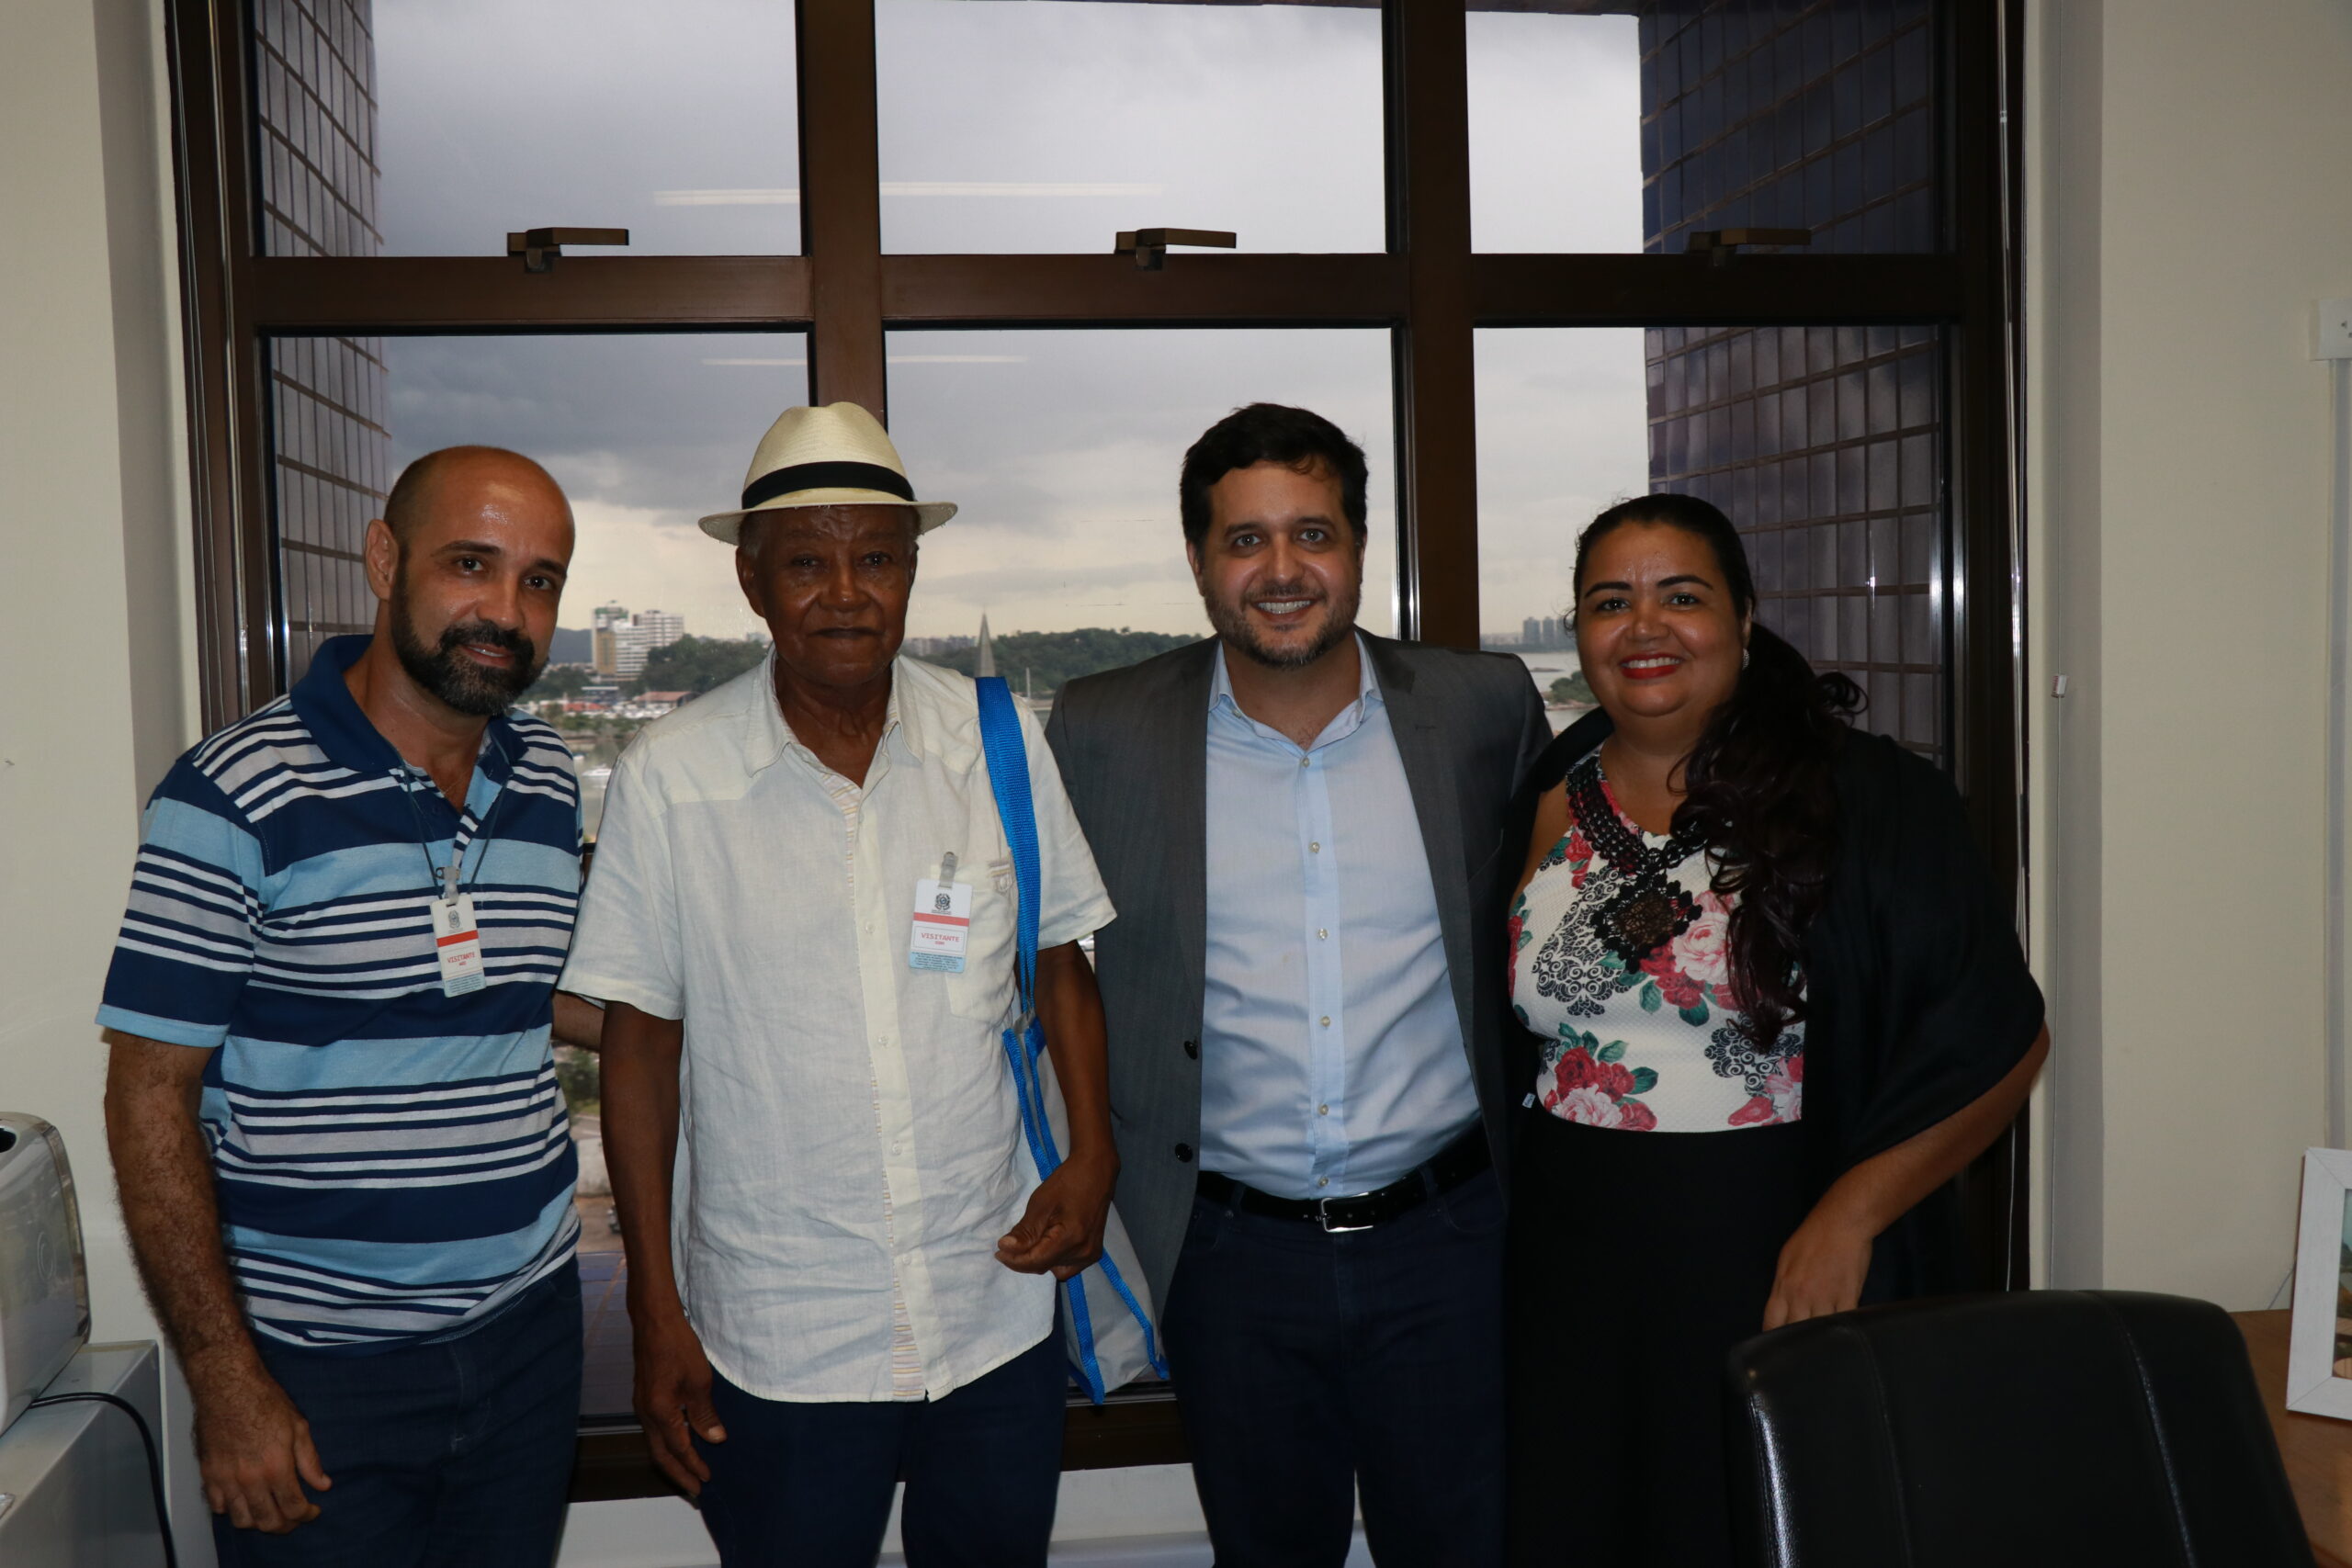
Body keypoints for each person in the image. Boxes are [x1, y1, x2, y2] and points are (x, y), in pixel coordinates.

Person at [560, 402, 1120, 1567]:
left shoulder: (994, 742)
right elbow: (640, 1051)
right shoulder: (671, 776)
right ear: (751, 582)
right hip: (778, 1333)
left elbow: (1060, 960)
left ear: (912, 571)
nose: (847, 593)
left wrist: (1092, 1153)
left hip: (989, 1301)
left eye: (877, 559)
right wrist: (656, 1310)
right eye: (807, 564)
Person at [1501, 492, 2050, 1568]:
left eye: (1681, 597)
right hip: (1569, 1263)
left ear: (1744, 619)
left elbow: (2001, 1037)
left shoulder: (1867, 799)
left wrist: (1850, 1217)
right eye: (1609, 602)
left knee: (1761, 1528)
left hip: (1771, 1246)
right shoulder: (1546, 798)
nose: (1643, 627)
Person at [1046, 402, 1551, 1568]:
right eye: (1245, 540)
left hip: (1451, 1244)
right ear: (1198, 560)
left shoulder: (1481, 709)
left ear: (1359, 546)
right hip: (1227, 1258)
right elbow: (1046, 956)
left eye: (1312, 534)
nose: (1281, 571)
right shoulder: (1101, 728)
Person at [98, 447, 606, 1564]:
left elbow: (536, 993)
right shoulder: (232, 794)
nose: (506, 610)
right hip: (317, 1370)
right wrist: (226, 1382)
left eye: (539, 580)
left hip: (529, 1341)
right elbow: (147, 1096)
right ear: (384, 560)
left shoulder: (545, 778)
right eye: (470, 564)